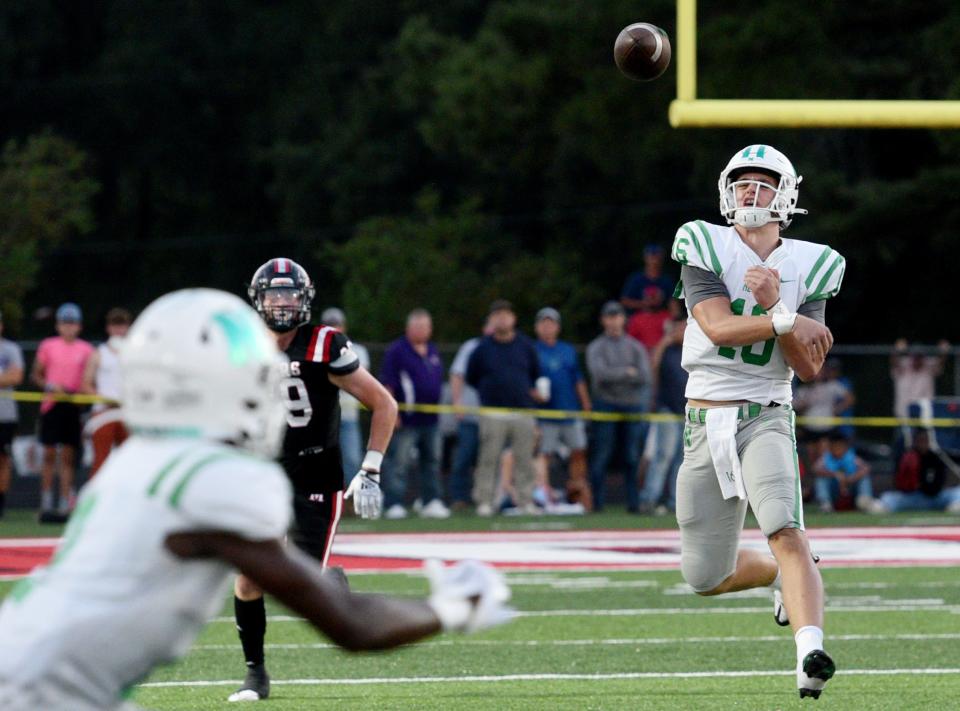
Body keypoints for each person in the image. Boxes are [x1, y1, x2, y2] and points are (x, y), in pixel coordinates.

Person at [0, 288, 513, 711]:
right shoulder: (217, 482)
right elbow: (352, 626)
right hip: (46, 693)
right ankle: (258, 668)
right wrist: (450, 607)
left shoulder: (135, 464)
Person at [670, 145, 842, 698]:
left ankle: (809, 653)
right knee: (704, 577)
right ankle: (774, 577)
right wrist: (782, 315)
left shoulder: (813, 263)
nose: (750, 191)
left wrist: (785, 321)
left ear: (786, 197)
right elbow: (717, 328)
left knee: (785, 530)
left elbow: (808, 367)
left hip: (767, 412)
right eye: (742, 181)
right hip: (705, 418)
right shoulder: (704, 242)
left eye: (763, 183)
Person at [230, 257, 399, 701]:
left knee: (305, 592)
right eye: (273, 295)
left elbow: (384, 404)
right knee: (249, 577)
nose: (281, 304)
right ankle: (255, 675)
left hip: (314, 474)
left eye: (289, 295)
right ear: (258, 300)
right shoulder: (242, 346)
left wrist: (371, 469)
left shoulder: (324, 343)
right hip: (265, 473)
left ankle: (329, 582)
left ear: (304, 300)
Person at [466, 299, 544, 516]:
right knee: (488, 459)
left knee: (525, 459)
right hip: (493, 412)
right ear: (491, 320)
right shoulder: (482, 348)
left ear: (514, 318)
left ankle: (526, 501)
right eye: (498, 315)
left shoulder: (525, 346)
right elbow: (472, 377)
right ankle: (485, 501)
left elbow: (535, 374)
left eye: (506, 314)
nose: (502, 319)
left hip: (522, 411)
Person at [380, 308, 449, 520]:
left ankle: (430, 501)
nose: (422, 330)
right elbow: (388, 384)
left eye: (426, 326)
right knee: (399, 462)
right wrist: (394, 413)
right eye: (418, 326)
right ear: (409, 328)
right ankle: (393, 502)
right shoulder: (397, 351)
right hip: (407, 418)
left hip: (431, 418)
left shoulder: (432, 350)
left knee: (432, 461)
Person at [585, 300, 651, 512]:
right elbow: (599, 376)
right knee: (602, 454)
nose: (613, 321)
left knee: (632, 456)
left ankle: (634, 503)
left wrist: (616, 374)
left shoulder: (635, 346)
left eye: (617, 316)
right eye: (609, 317)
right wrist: (627, 372)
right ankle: (598, 503)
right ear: (603, 320)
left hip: (632, 406)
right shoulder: (596, 346)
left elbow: (644, 376)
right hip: (605, 405)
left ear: (623, 319)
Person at [31, 302, 95, 518]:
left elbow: (89, 379)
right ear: (58, 325)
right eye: (65, 323)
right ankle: (46, 500)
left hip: (73, 405)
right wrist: (51, 386)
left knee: (68, 456)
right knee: (49, 454)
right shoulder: (48, 345)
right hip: (52, 404)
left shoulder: (86, 349)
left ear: (79, 326)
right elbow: (37, 375)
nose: (69, 327)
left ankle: (64, 500)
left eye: (73, 323)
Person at [533, 307, 592, 510]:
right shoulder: (532, 350)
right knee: (544, 455)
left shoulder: (567, 350)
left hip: (569, 411)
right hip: (546, 414)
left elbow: (578, 379)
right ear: (537, 327)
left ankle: (576, 491)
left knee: (578, 452)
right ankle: (544, 493)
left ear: (557, 327)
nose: (547, 326)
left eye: (551, 323)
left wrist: (585, 404)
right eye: (543, 322)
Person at [638, 314, 688, 514]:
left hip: (687, 409)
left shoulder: (694, 349)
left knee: (682, 458)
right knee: (663, 455)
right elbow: (652, 367)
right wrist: (665, 341)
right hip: (667, 408)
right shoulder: (666, 350)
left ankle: (676, 501)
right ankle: (649, 498)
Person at [319, 307, 370, 486]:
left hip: (348, 416)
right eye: (329, 325)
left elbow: (355, 381)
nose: (334, 328)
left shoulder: (359, 351)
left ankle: (351, 499)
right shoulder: (315, 352)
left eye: (337, 325)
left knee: (352, 459)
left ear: (344, 326)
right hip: (322, 418)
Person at [81, 307, 132, 477]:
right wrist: (102, 399)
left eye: (122, 325)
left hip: (127, 412)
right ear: (108, 328)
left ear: (128, 327)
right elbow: (86, 384)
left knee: (130, 460)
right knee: (101, 460)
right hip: (103, 412)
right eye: (115, 325)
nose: (118, 329)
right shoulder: (99, 353)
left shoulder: (135, 353)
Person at [448, 318, 493, 510]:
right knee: (464, 456)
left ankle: (486, 498)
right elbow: (457, 374)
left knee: (489, 460)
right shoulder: (472, 347)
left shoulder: (505, 348)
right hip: (471, 413)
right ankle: (459, 497)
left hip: (493, 415)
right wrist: (457, 402)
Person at [880, 430, 960, 513]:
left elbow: (937, 484)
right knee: (888, 497)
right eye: (920, 440)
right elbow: (900, 483)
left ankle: (954, 507)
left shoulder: (936, 456)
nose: (923, 443)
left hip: (936, 497)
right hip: (914, 497)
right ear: (915, 441)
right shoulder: (908, 457)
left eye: (925, 440)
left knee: (958, 492)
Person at [811, 431, 879, 513]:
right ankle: (825, 504)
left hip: (850, 488)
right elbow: (815, 469)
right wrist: (835, 474)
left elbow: (866, 468)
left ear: (845, 447)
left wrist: (852, 478)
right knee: (821, 480)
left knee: (864, 479)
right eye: (835, 446)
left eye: (840, 446)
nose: (837, 449)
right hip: (834, 491)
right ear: (830, 447)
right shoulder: (826, 457)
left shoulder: (851, 457)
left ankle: (864, 501)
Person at [0, 310, 25, 518]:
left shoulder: (10, 349)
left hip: (5, 414)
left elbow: (16, 376)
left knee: (3, 459)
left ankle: (0, 505)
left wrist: (7, 377)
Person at [890, 338, 950, 420]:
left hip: (924, 416)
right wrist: (896, 350)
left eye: (919, 356)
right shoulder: (903, 365)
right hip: (903, 414)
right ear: (911, 356)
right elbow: (894, 362)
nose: (917, 359)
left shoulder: (928, 366)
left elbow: (940, 362)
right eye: (915, 356)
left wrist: (943, 352)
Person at [620, 244, 676, 315]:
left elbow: (673, 303)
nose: (654, 260)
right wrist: (644, 304)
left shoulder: (666, 280)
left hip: (661, 317)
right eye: (652, 257)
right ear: (645, 258)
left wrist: (676, 317)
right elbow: (625, 301)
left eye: (657, 257)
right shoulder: (636, 279)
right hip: (639, 317)